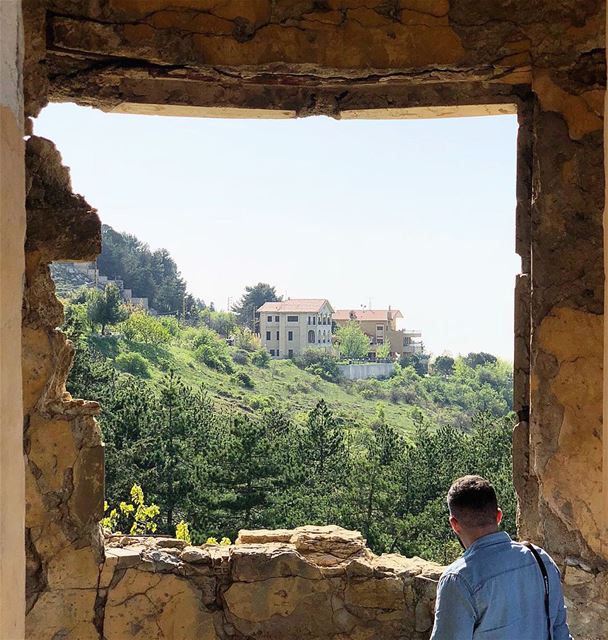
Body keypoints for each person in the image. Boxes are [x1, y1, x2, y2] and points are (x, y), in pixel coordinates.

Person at [430, 475, 572, 640]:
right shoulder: (540, 559)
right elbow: (560, 633)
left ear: (454, 524)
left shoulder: (459, 580)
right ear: (498, 516)